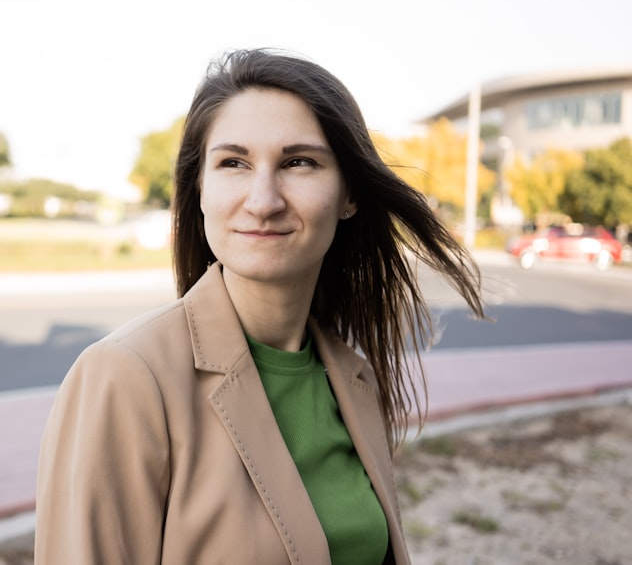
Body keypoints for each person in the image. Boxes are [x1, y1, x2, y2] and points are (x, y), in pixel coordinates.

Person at [34, 48, 486, 564]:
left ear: (349, 195)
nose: (263, 199)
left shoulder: (351, 376)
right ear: (199, 188)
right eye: (233, 163)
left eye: (298, 162)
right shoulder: (125, 377)